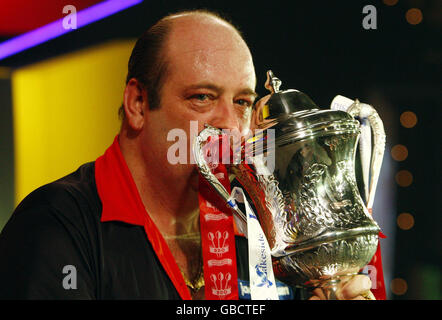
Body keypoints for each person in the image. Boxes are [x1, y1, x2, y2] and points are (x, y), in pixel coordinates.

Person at [0, 10, 374, 300]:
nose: (231, 125)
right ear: (138, 104)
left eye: (243, 102)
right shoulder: (55, 225)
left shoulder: (265, 233)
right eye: (202, 97)